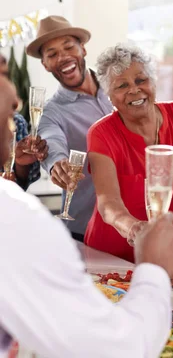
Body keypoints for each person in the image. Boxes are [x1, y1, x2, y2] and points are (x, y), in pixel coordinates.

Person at [0, 74, 173, 358]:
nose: (14, 127)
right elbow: (114, 348)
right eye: (10, 115)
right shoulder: (17, 218)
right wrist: (154, 269)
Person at [84, 44, 173, 271]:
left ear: (153, 82)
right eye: (122, 85)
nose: (134, 90)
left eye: (141, 80)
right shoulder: (102, 133)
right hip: (116, 262)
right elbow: (108, 204)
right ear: (109, 97)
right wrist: (134, 228)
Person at [27, 16, 114, 240]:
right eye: (52, 54)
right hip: (86, 230)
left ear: (82, 49)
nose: (63, 57)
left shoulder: (118, 85)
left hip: (134, 223)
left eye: (68, 47)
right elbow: (51, 141)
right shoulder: (51, 112)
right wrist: (57, 164)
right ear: (45, 64)